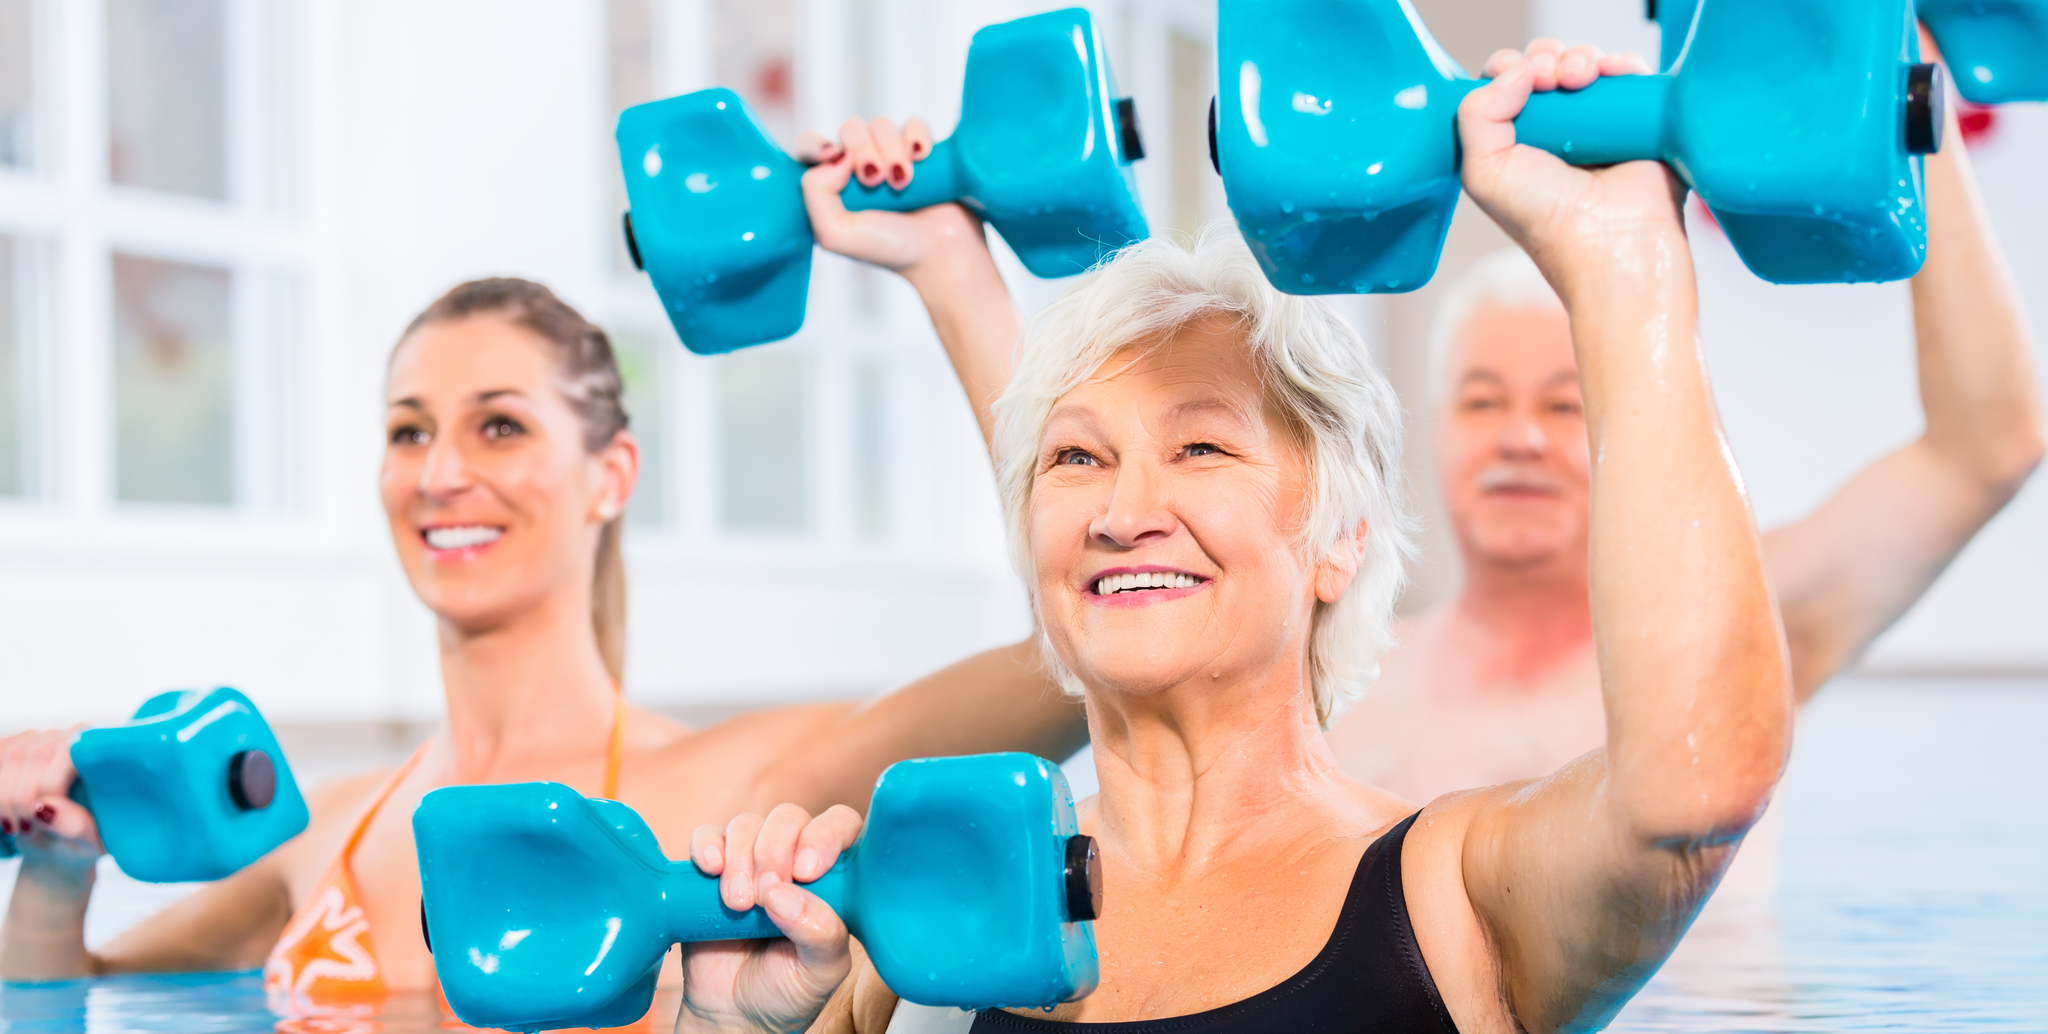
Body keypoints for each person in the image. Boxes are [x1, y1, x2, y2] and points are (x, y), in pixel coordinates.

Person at [647, 41, 1795, 1034]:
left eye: (1200, 449)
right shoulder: (901, 920)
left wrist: (1622, 266)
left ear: (1336, 538)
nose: (1119, 509)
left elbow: (1688, 790)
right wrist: (729, 1025)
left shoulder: (1453, 892)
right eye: (1076, 460)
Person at [0, 115, 1088, 1009]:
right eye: (409, 430)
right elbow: (66, 998)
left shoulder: (739, 790)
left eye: (500, 426)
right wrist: (58, 867)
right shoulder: (328, 825)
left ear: (610, 474)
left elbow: (1079, 651)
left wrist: (947, 266)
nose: (440, 474)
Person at [1323, 33, 2043, 805]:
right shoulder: (1341, 683)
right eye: (1483, 401)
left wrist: (1908, 70)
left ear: (1630, 417)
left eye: (1564, 405)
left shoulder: (1736, 633)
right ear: (1433, 430)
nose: (1520, 437)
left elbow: (1988, 447)